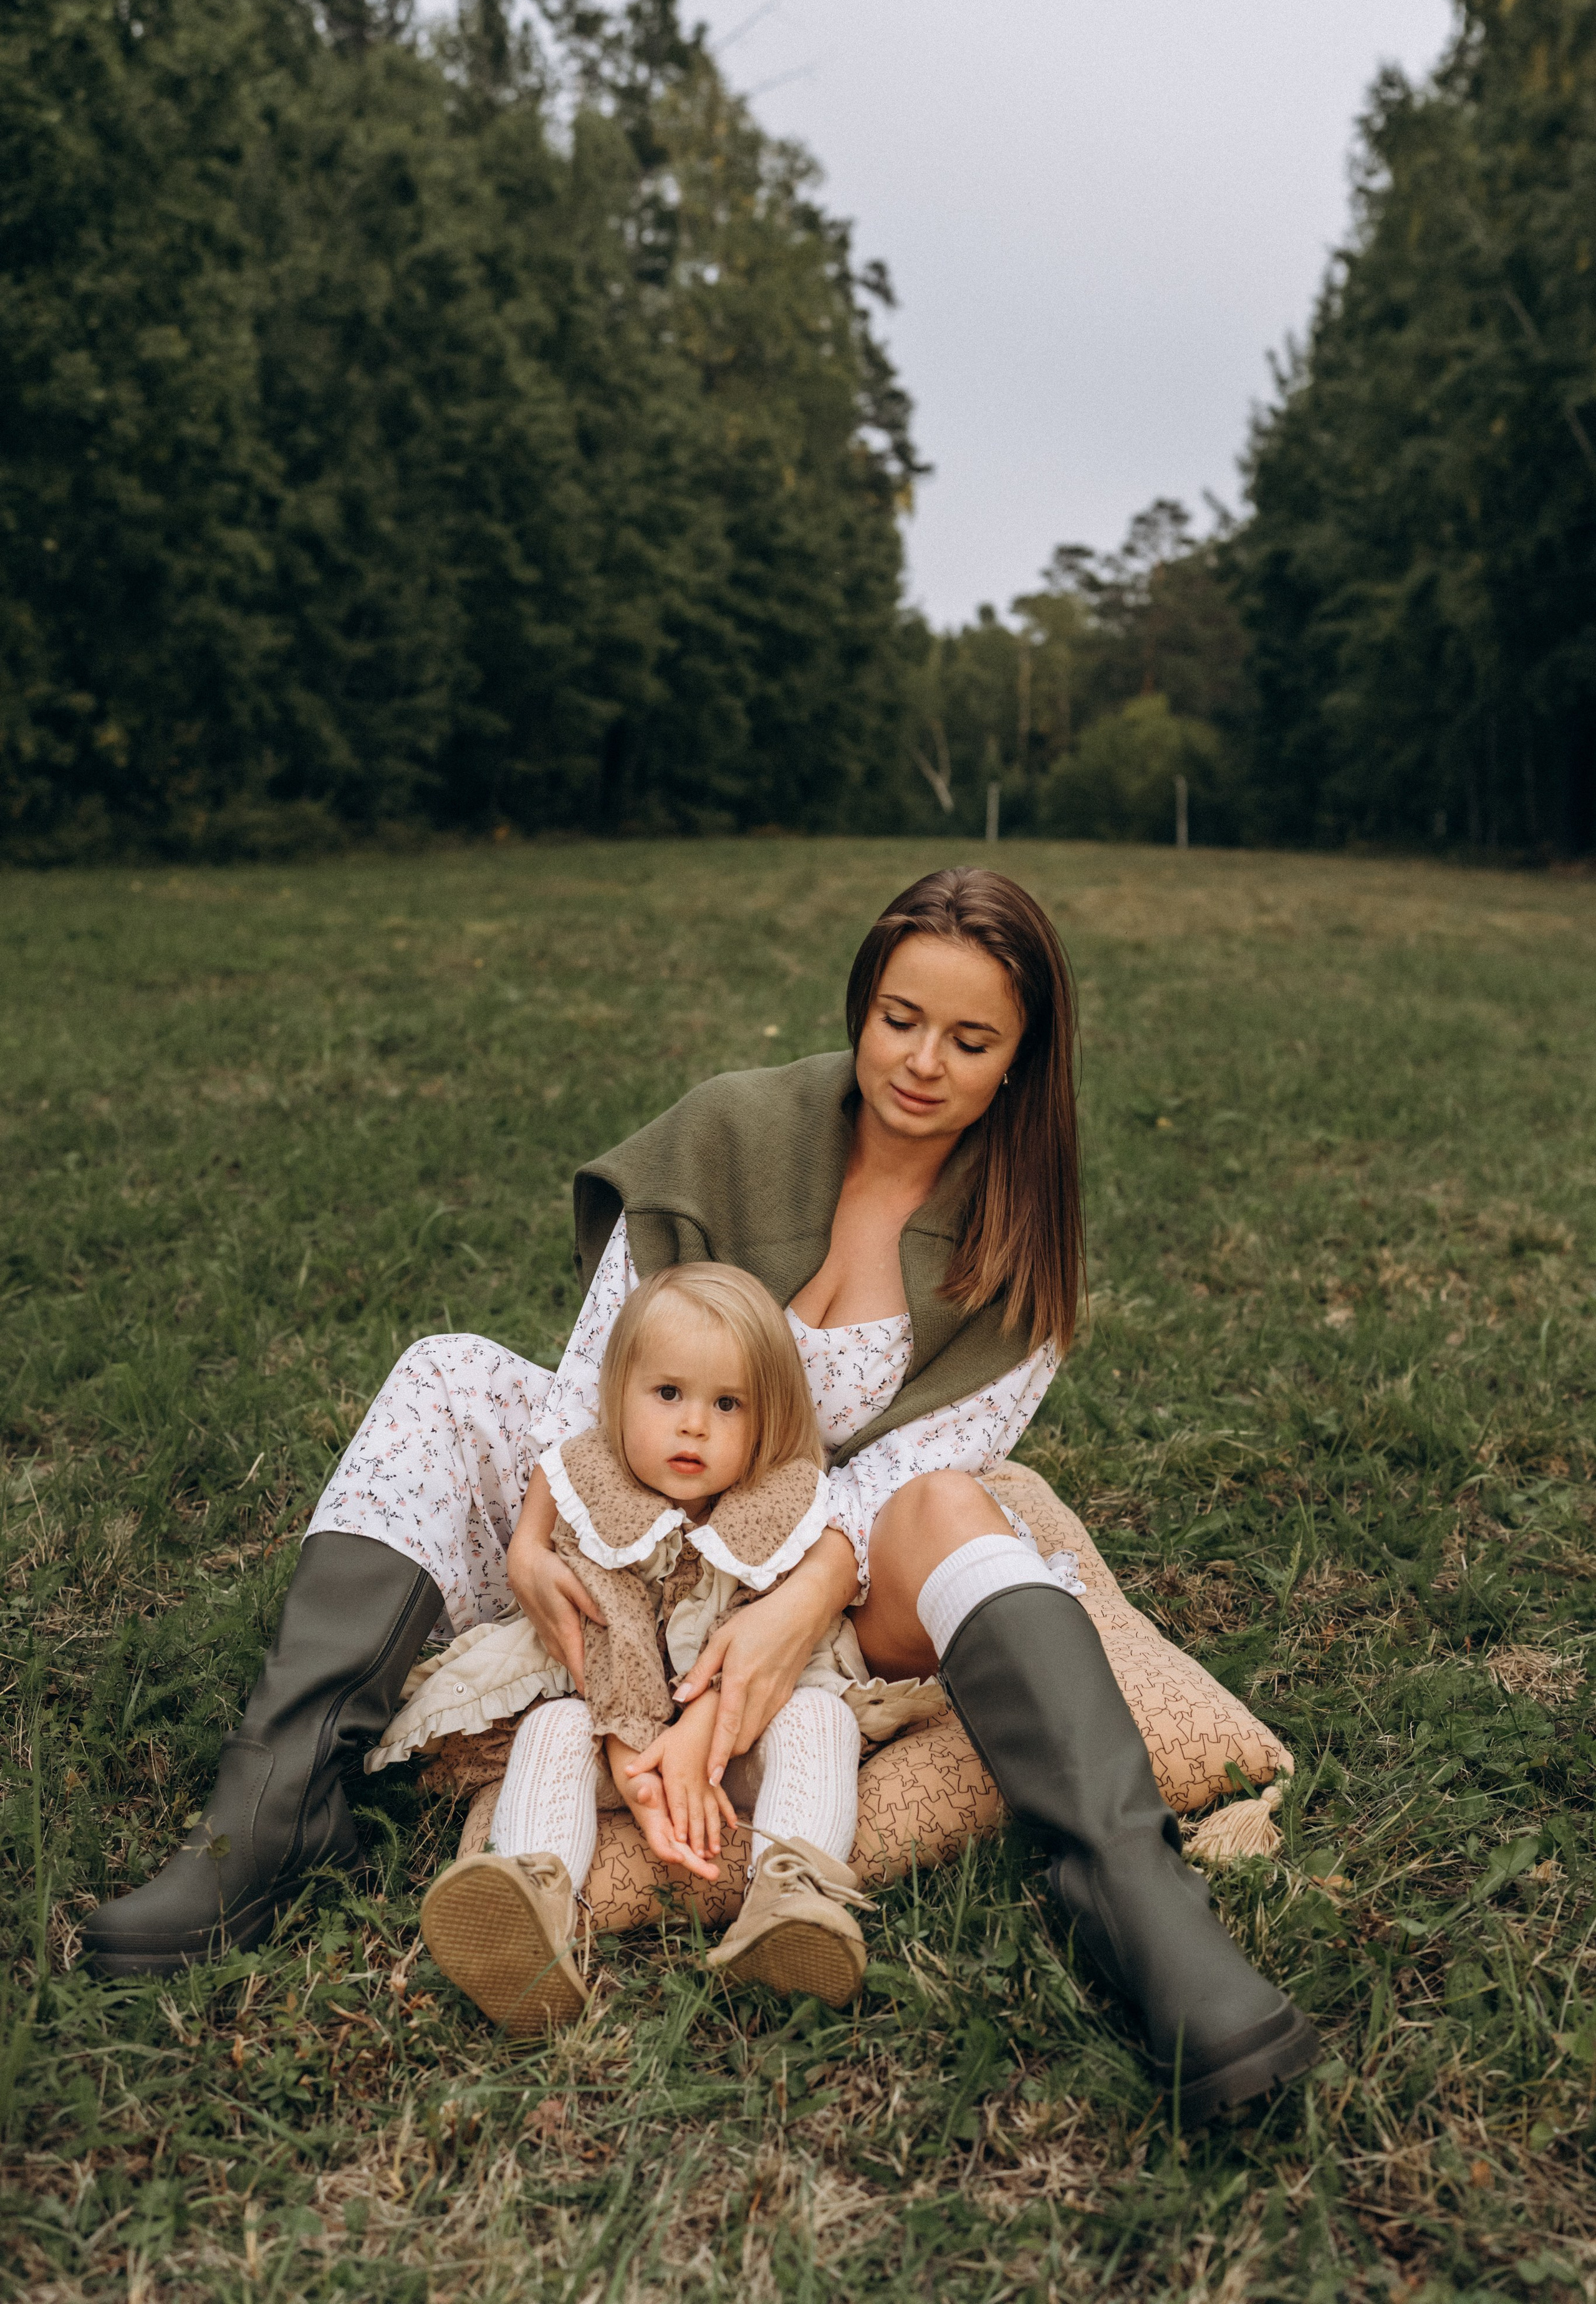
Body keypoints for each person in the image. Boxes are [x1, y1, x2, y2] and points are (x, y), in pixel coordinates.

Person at [82, 865, 1315, 2124]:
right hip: (636, 1528)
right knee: (446, 1374)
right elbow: (593, 1386)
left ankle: (1136, 1905)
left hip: (826, 1579)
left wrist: (775, 1625)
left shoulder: (1018, 1242)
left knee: (955, 1501)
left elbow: (892, 1481)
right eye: (898, 1017)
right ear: (860, 1003)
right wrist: (540, 1534)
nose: (921, 1062)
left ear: (1022, 1061)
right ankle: (275, 1812)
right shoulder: (729, 1131)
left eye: (970, 1038)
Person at [417, 1260, 939, 2035]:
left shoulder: (785, 1505)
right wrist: (635, 1761)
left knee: (821, 1722)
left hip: (744, 1739)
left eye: (727, 1404)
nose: (694, 1424)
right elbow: (607, 1632)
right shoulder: (593, 1495)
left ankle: (792, 1900)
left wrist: (707, 1736)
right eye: (668, 1395)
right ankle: (533, 1900)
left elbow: (780, 1637)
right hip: (616, 1736)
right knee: (551, 1728)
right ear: (617, 1399)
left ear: (764, 1422)